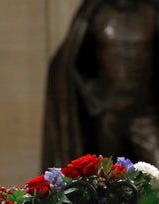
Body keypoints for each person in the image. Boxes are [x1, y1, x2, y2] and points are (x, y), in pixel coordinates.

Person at [42, 0, 159, 170]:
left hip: (143, 114)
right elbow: (70, 63)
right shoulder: (94, 12)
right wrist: (92, 99)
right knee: (107, 178)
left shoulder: (152, 11)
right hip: (107, 114)